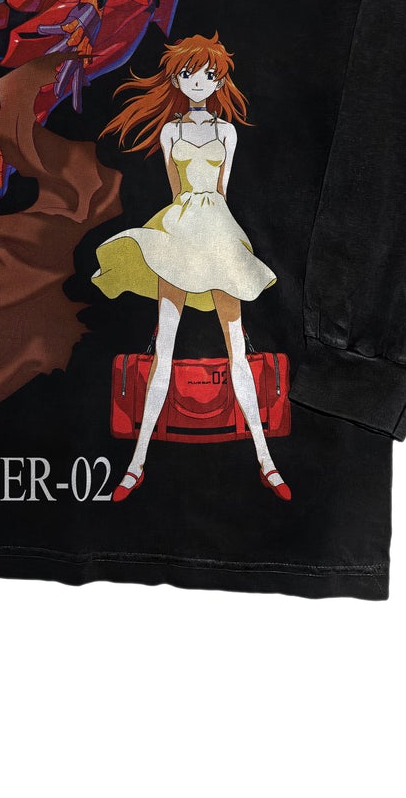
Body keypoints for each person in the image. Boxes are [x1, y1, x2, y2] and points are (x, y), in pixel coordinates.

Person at [92, 33, 289, 501]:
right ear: (176, 79)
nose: (197, 82)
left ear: (219, 80)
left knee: (238, 349)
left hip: (218, 231)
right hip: (181, 229)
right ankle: (136, 463)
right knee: (164, 347)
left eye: (207, 74)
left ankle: (267, 460)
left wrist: (224, 235)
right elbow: (175, 189)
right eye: (188, 73)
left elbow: (222, 190)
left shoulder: (227, 132)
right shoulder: (171, 132)